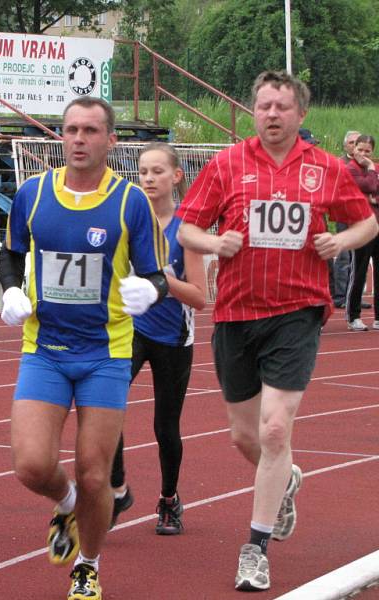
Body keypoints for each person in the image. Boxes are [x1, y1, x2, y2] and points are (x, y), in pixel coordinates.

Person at [176, 71, 377, 592]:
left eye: (281, 107)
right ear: (253, 111)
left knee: (273, 429)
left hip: (298, 310)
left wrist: (342, 241)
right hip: (237, 313)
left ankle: (255, 548)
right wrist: (215, 243)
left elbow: (367, 223)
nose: (271, 114)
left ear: (300, 115)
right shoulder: (226, 164)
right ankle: (284, 479)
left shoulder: (327, 169)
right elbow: (186, 225)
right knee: (246, 435)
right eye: (263, 106)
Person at [0, 96, 169, 600]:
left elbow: (156, 272)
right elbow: (11, 252)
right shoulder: (33, 194)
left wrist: (151, 290)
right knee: (31, 464)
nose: (78, 139)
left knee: (97, 475)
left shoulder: (129, 202)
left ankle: (88, 566)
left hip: (105, 352)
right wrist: (11, 288)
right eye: (70, 130)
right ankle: (65, 501)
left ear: (110, 141)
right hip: (45, 347)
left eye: (91, 131)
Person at [108, 143, 206, 535]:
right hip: (130, 330)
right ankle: (117, 490)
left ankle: (169, 499)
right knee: (105, 410)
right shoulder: (129, 221)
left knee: (166, 427)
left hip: (173, 337)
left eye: (157, 171)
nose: (147, 178)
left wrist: (162, 283)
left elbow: (200, 297)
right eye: (143, 171)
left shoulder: (186, 230)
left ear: (176, 177)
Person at [344, 134, 379, 330]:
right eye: (360, 149)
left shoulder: (375, 168)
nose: (363, 154)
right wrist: (372, 172)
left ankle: (378, 317)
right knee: (358, 271)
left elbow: (372, 190)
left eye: (368, 151)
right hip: (360, 226)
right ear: (353, 148)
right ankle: (353, 315)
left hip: (377, 225)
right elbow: (369, 186)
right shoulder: (350, 169)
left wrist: (372, 198)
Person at [330, 131, 363, 307]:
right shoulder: (339, 164)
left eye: (357, 142)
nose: (354, 145)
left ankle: (354, 296)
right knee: (343, 256)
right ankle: (340, 296)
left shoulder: (366, 165)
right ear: (345, 146)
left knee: (359, 258)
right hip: (343, 214)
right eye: (351, 142)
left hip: (362, 216)